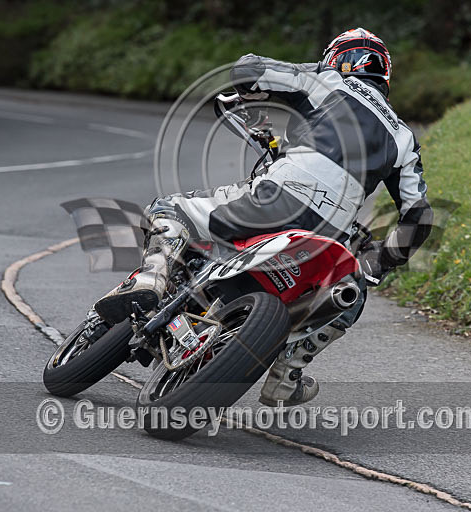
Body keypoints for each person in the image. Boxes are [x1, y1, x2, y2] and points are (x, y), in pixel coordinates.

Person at [94, 28, 433, 406]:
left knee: (170, 208)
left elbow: (248, 68)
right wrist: (378, 263)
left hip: (277, 198)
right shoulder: (404, 137)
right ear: (384, 75)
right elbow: (419, 216)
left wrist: (261, 90)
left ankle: (151, 277)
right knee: (349, 296)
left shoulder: (327, 80)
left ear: (336, 59)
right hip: (330, 233)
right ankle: (286, 376)